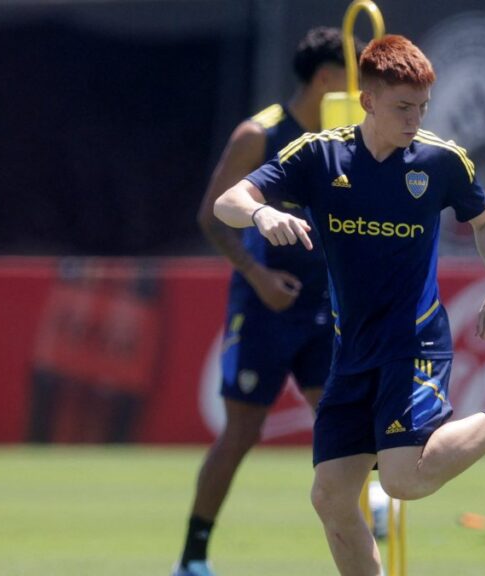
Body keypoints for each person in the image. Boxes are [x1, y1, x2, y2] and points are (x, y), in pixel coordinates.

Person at [215, 35, 485, 576]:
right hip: (351, 351)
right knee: (330, 497)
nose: (414, 119)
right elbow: (228, 201)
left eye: (422, 107)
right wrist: (260, 215)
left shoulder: (441, 162)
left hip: (414, 342)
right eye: (402, 107)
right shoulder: (319, 156)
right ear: (367, 99)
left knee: (403, 479)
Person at [174, 27, 362, 576]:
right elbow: (211, 216)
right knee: (242, 433)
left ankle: (360, 530)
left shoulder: (343, 137)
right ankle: (192, 556)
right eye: (350, 75)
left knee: (341, 423)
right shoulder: (261, 133)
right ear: (326, 77)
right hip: (263, 308)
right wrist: (257, 276)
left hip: (323, 308)